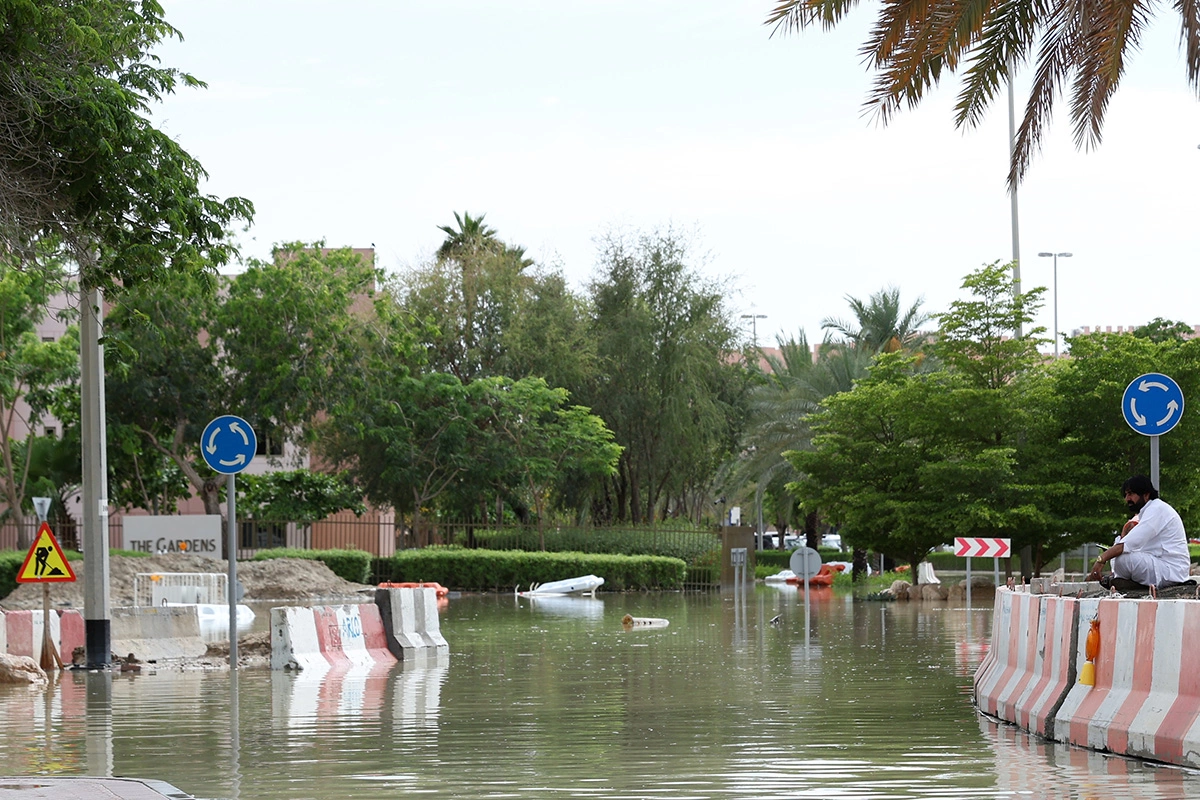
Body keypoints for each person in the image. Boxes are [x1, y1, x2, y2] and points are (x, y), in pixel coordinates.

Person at [1087, 475, 1191, 588]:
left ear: (1146, 494)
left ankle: (1136, 585)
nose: (1127, 499)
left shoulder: (1157, 509)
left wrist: (1101, 560)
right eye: (1126, 495)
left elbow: (1129, 544)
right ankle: (1130, 582)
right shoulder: (1148, 511)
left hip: (1169, 571)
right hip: (1161, 567)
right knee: (1119, 555)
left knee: (1122, 559)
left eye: (1130, 494)